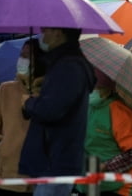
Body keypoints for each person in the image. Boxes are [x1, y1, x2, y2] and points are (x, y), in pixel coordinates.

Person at [19, 28, 96, 196]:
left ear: (58, 33)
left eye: (46, 30)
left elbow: (50, 110)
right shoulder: (64, 64)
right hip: (52, 159)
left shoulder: (69, 67)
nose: (42, 35)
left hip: (55, 160)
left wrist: (29, 103)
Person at [75, 68, 132, 196]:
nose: (90, 91)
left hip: (117, 188)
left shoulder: (120, 113)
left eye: (95, 87)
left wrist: (106, 166)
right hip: (89, 186)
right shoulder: (85, 107)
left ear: (107, 90)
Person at [0, 39, 46, 195]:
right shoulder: (6, 90)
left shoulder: (50, 94)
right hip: (6, 172)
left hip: (38, 178)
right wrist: (3, 145)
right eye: (21, 55)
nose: (22, 60)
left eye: (27, 56)